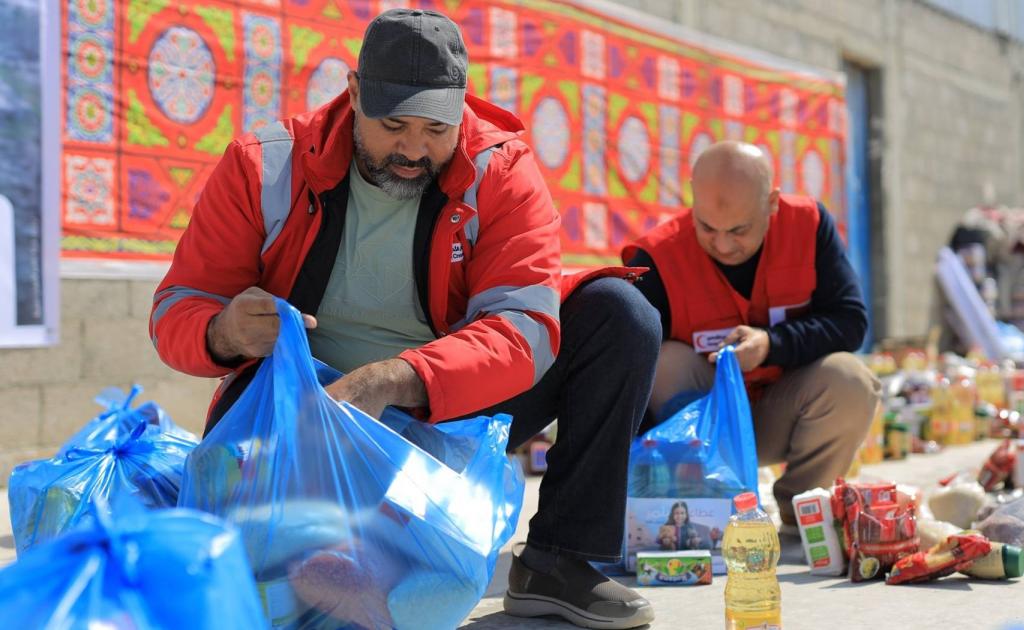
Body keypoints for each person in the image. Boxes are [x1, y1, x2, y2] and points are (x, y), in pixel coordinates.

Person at [148, 9, 657, 629]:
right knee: (276, 574)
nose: (414, 149)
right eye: (393, 125)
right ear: (354, 92)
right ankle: (333, 561)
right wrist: (222, 331)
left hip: (439, 404)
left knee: (619, 315)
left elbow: (521, 330)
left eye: (436, 128)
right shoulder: (265, 166)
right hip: (304, 413)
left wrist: (393, 380)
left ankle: (559, 561)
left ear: (463, 108)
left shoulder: (500, 171)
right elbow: (177, 306)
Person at [623, 141, 881, 526]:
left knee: (850, 380)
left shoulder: (807, 225)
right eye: (707, 227)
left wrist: (771, 345)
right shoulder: (658, 257)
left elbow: (850, 321)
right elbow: (624, 372)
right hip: (703, 424)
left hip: (782, 410)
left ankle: (801, 511)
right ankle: (704, 503)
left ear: (772, 202)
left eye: (740, 230)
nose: (724, 245)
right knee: (660, 358)